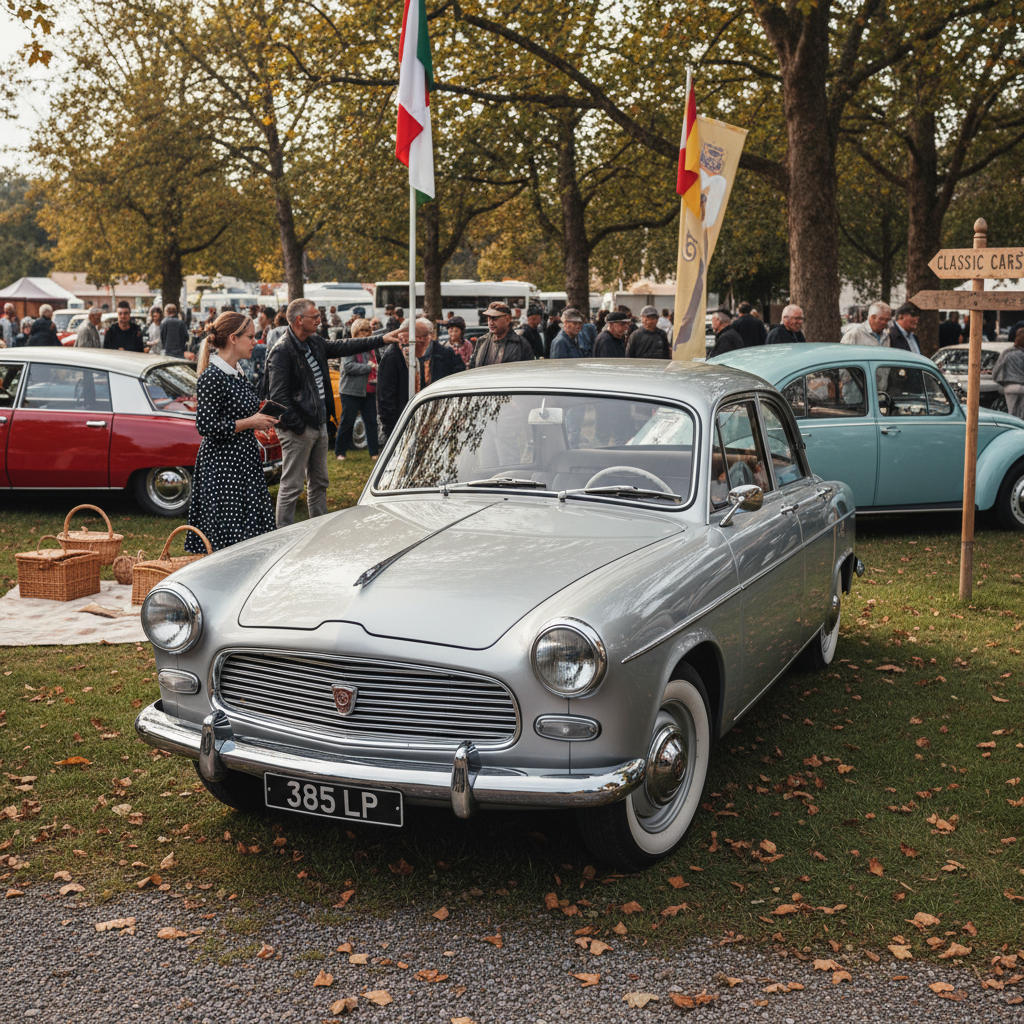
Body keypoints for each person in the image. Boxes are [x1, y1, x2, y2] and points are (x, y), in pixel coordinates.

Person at [265, 298, 380, 527]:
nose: (320, 320)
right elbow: (278, 396)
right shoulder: (282, 351)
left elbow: (345, 346)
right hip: (299, 429)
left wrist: (382, 338)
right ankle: (283, 536)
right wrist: (299, 428)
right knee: (292, 486)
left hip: (318, 425)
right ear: (299, 320)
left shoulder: (314, 342)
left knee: (320, 483)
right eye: (315, 317)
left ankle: (318, 531)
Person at [185, 311, 279, 553]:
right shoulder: (212, 377)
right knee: (228, 536)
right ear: (233, 339)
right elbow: (205, 426)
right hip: (223, 466)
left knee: (251, 532)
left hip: (243, 460)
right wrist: (250, 422)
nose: (255, 342)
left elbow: (240, 413)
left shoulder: (238, 372)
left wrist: (261, 418)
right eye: (251, 337)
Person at [335, 318, 381, 461]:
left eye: (368, 331)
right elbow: (347, 367)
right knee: (347, 421)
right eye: (363, 331)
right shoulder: (350, 346)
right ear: (355, 332)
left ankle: (374, 452)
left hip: (369, 389)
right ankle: (340, 452)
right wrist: (368, 367)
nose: (366, 334)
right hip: (351, 390)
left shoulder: (371, 347)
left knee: (371, 421)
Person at [468, 303, 535, 366]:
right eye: (489, 318)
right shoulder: (482, 341)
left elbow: (528, 372)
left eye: (495, 318)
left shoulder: (522, 344)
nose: (490, 322)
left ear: (507, 319)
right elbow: (472, 368)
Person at [992, 330, 1024, 419]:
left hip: (1010, 387)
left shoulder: (1007, 353)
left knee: (1012, 413)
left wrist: (1003, 383)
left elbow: (995, 372)